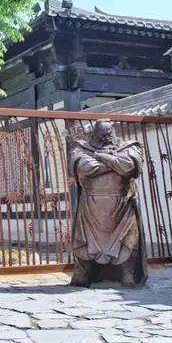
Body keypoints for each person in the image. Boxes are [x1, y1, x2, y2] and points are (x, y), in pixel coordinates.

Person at [68, 119, 147, 287]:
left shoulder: (129, 147)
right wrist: (115, 164)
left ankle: (127, 275)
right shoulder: (81, 147)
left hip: (122, 205)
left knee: (128, 240)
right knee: (84, 241)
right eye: (102, 134)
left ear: (114, 132)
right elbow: (86, 168)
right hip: (91, 205)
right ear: (94, 133)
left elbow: (129, 167)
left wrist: (101, 157)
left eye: (109, 134)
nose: (106, 137)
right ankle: (83, 274)